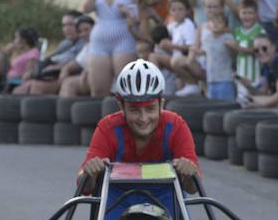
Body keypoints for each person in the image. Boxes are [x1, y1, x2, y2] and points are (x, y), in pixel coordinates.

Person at [79, 60, 200, 195]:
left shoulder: (176, 126)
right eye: (134, 110)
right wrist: (90, 173)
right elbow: (83, 187)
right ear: (121, 107)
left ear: (161, 105)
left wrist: (190, 172)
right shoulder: (107, 128)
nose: (143, 118)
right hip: (117, 202)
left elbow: (193, 188)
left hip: (166, 201)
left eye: (150, 109)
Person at [79, 0, 139, 96]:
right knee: (98, 89)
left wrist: (128, 12)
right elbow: (86, 9)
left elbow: (138, 16)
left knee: (126, 87)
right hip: (100, 42)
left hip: (123, 39)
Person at [14, 13, 85, 95]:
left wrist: (58, 67)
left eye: (70, 24)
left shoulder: (84, 43)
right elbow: (50, 58)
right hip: (49, 74)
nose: (66, 29)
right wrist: (34, 71)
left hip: (65, 75)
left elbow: (80, 62)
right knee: (19, 89)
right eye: (64, 25)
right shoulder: (65, 43)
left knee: (33, 87)